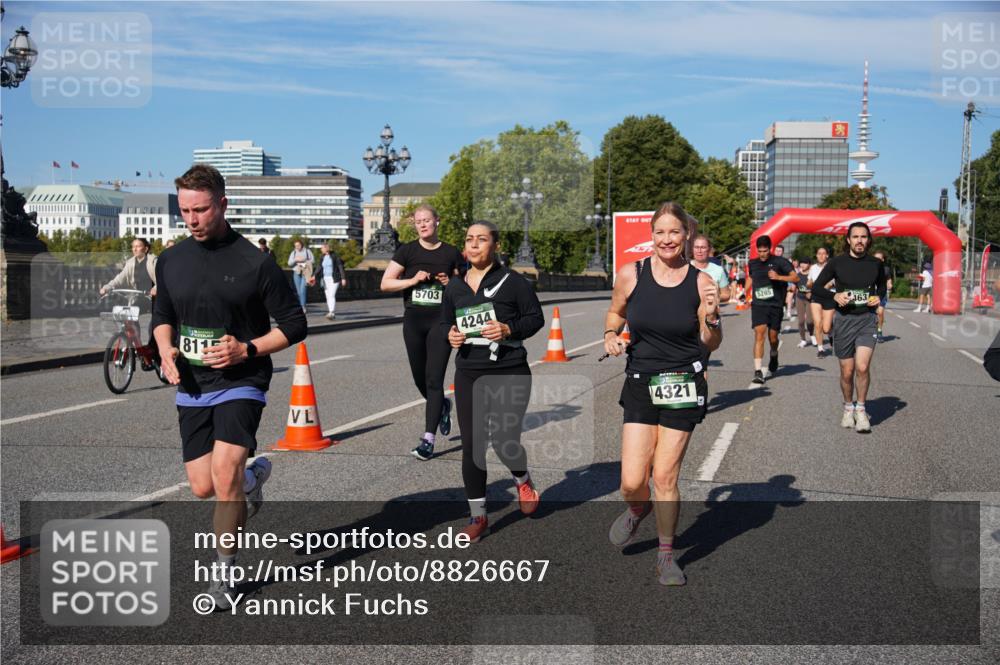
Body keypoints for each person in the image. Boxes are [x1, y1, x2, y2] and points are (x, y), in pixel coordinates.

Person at [152, 164, 307, 610]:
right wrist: (165, 349)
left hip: (242, 380)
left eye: (200, 209)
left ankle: (224, 576)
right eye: (184, 211)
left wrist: (247, 350)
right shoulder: (172, 259)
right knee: (202, 486)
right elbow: (162, 316)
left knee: (224, 477)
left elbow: (295, 326)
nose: (192, 219)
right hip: (194, 384)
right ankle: (254, 478)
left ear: (223, 203)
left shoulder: (255, 262)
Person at [603, 202, 722, 586]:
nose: (667, 239)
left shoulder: (702, 282)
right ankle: (638, 510)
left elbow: (710, 342)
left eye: (674, 232)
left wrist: (713, 318)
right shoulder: (630, 274)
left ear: (686, 235)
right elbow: (615, 313)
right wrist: (610, 335)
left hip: (684, 382)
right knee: (631, 480)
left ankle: (666, 556)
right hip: (640, 381)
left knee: (665, 477)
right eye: (660, 232)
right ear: (651, 236)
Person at [441, 220, 545, 542]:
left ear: (495, 246)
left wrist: (508, 329)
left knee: (503, 442)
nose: (474, 245)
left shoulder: (513, 282)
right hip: (469, 373)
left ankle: (522, 478)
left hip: (509, 370)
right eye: (469, 239)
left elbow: (535, 318)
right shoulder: (455, 287)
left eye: (481, 239)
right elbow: (448, 325)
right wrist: (452, 336)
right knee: (472, 446)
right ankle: (478, 516)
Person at [381, 205, 463, 460]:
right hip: (414, 321)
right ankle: (442, 406)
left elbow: (466, 288)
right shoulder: (407, 251)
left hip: (441, 321)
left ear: (437, 221)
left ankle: (428, 440)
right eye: (418, 222)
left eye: (427, 220)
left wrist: (451, 283)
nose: (423, 225)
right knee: (419, 379)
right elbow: (385, 283)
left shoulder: (451, 253)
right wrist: (412, 280)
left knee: (433, 379)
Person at [812, 222, 887, 433]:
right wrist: (835, 295)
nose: (860, 241)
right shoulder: (837, 263)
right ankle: (848, 407)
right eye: (855, 237)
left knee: (862, 367)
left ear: (868, 240)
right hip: (844, 320)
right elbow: (817, 287)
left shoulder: (875, 264)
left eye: (863, 237)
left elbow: (881, 286)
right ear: (848, 240)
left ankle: (861, 410)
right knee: (847, 371)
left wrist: (877, 297)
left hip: (866, 319)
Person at [746, 235, 797, 384]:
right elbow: (751, 277)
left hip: (775, 305)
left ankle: (774, 353)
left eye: (765, 251)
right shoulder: (753, 263)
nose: (762, 254)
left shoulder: (780, 262)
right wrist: (745, 292)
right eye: (760, 251)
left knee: (773, 337)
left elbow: (795, 278)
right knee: (759, 334)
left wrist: (779, 277)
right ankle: (758, 371)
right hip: (759, 305)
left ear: (771, 249)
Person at [101, 237, 159, 366]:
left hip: (154, 298)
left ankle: (153, 347)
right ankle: (136, 344)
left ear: (146, 248)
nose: (135, 249)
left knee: (155, 323)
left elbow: (161, 278)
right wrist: (108, 287)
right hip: (139, 297)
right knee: (129, 320)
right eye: (133, 246)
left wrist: (155, 288)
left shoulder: (153, 261)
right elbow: (120, 278)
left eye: (138, 246)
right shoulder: (131, 262)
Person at [807, 246, 835, 357]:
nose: (821, 255)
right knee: (817, 323)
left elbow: (835, 281)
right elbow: (810, 281)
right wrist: (809, 285)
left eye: (824, 253)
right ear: (816, 255)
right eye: (819, 253)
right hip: (816, 296)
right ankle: (820, 349)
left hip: (829, 296)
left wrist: (828, 285)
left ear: (827, 255)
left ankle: (831, 334)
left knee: (826, 328)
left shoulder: (832, 266)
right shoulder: (813, 267)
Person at [690, 234, 731, 303]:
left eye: (703, 247)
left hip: (710, 312)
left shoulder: (718, 270)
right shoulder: (684, 267)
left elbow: (726, 295)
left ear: (709, 249)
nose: (699, 251)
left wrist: (715, 298)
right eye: (696, 247)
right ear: (692, 249)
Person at [314, 242, 347, 320]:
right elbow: (319, 267)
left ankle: (331, 312)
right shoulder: (322, 257)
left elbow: (340, 267)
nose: (321, 249)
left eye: (322, 248)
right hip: (325, 278)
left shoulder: (335, 256)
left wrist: (343, 278)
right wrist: (314, 275)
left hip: (334, 278)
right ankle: (330, 312)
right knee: (328, 296)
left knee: (332, 295)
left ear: (326, 248)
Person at [287, 240, 314, 313]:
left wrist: (304, 261)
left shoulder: (307, 251)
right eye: (295, 246)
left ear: (301, 245)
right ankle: (301, 306)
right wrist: (295, 260)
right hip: (297, 272)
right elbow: (289, 263)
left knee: (303, 290)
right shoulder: (294, 252)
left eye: (298, 245)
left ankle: (303, 307)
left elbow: (313, 261)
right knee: (299, 292)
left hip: (306, 273)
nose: (297, 247)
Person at [872, 250, 893, 342]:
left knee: (880, 312)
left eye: (879, 258)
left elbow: (889, 280)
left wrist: (889, 284)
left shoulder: (886, 269)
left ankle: (879, 331)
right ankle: (871, 332)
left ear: (883, 260)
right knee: (871, 314)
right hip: (871, 293)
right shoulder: (869, 268)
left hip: (881, 293)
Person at [794, 257, 814, 348]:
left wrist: (811, 292)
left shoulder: (813, 275)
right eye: (801, 263)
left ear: (809, 264)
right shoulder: (797, 275)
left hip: (810, 300)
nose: (803, 265)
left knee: (810, 321)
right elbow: (795, 287)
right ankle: (803, 340)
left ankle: (812, 334)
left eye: (805, 263)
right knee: (801, 321)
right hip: (800, 299)